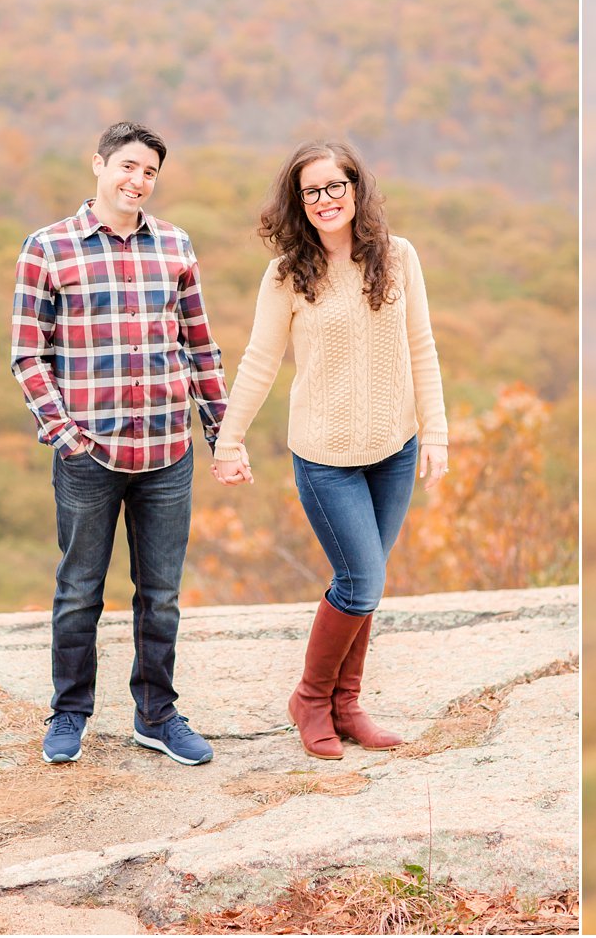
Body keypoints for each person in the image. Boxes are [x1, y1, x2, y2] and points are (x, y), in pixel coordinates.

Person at [210, 140, 449, 760]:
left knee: (367, 584)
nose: (324, 200)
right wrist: (228, 439)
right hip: (325, 458)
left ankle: (347, 705)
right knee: (360, 580)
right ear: (298, 203)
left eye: (333, 186)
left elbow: (421, 347)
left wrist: (437, 434)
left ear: (355, 188)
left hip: (394, 449)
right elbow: (260, 360)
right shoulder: (287, 274)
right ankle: (311, 700)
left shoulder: (399, 258)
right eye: (310, 191)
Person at [12, 120, 227, 768]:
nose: (138, 180)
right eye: (128, 166)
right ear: (99, 165)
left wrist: (222, 433)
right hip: (89, 455)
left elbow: (200, 347)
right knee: (80, 588)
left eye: (150, 172)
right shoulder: (48, 248)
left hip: (168, 451)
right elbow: (28, 356)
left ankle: (156, 713)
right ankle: (70, 710)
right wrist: (66, 436)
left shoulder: (176, 246)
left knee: (160, 592)